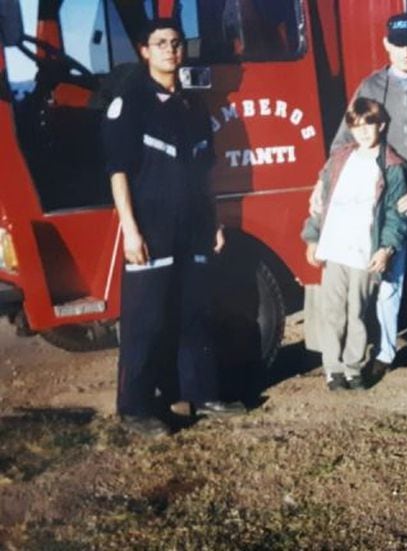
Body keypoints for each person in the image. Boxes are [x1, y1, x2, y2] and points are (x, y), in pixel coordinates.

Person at [103, 19, 244, 437]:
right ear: (144, 51)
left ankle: (201, 393)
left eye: (176, 43)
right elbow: (118, 172)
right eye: (160, 43)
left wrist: (215, 222)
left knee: (194, 315)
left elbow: (206, 172)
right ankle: (134, 408)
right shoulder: (130, 103)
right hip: (152, 228)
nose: (170, 50)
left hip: (195, 226)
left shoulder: (192, 106)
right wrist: (131, 230)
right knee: (144, 320)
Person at [324, 13, 407, 382]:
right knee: (388, 277)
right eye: (399, 44)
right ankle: (384, 351)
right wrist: (322, 192)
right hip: (385, 202)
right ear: (386, 44)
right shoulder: (370, 86)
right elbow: (342, 144)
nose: (406, 52)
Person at [301, 98, 407, 391]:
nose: (362, 132)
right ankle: (332, 369)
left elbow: (396, 216)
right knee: (332, 311)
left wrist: (385, 248)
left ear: (381, 126)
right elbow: (320, 203)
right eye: (356, 126)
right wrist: (312, 237)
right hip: (335, 247)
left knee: (357, 312)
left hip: (364, 251)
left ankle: (352, 367)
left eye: (369, 125)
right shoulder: (339, 160)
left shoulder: (392, 167)